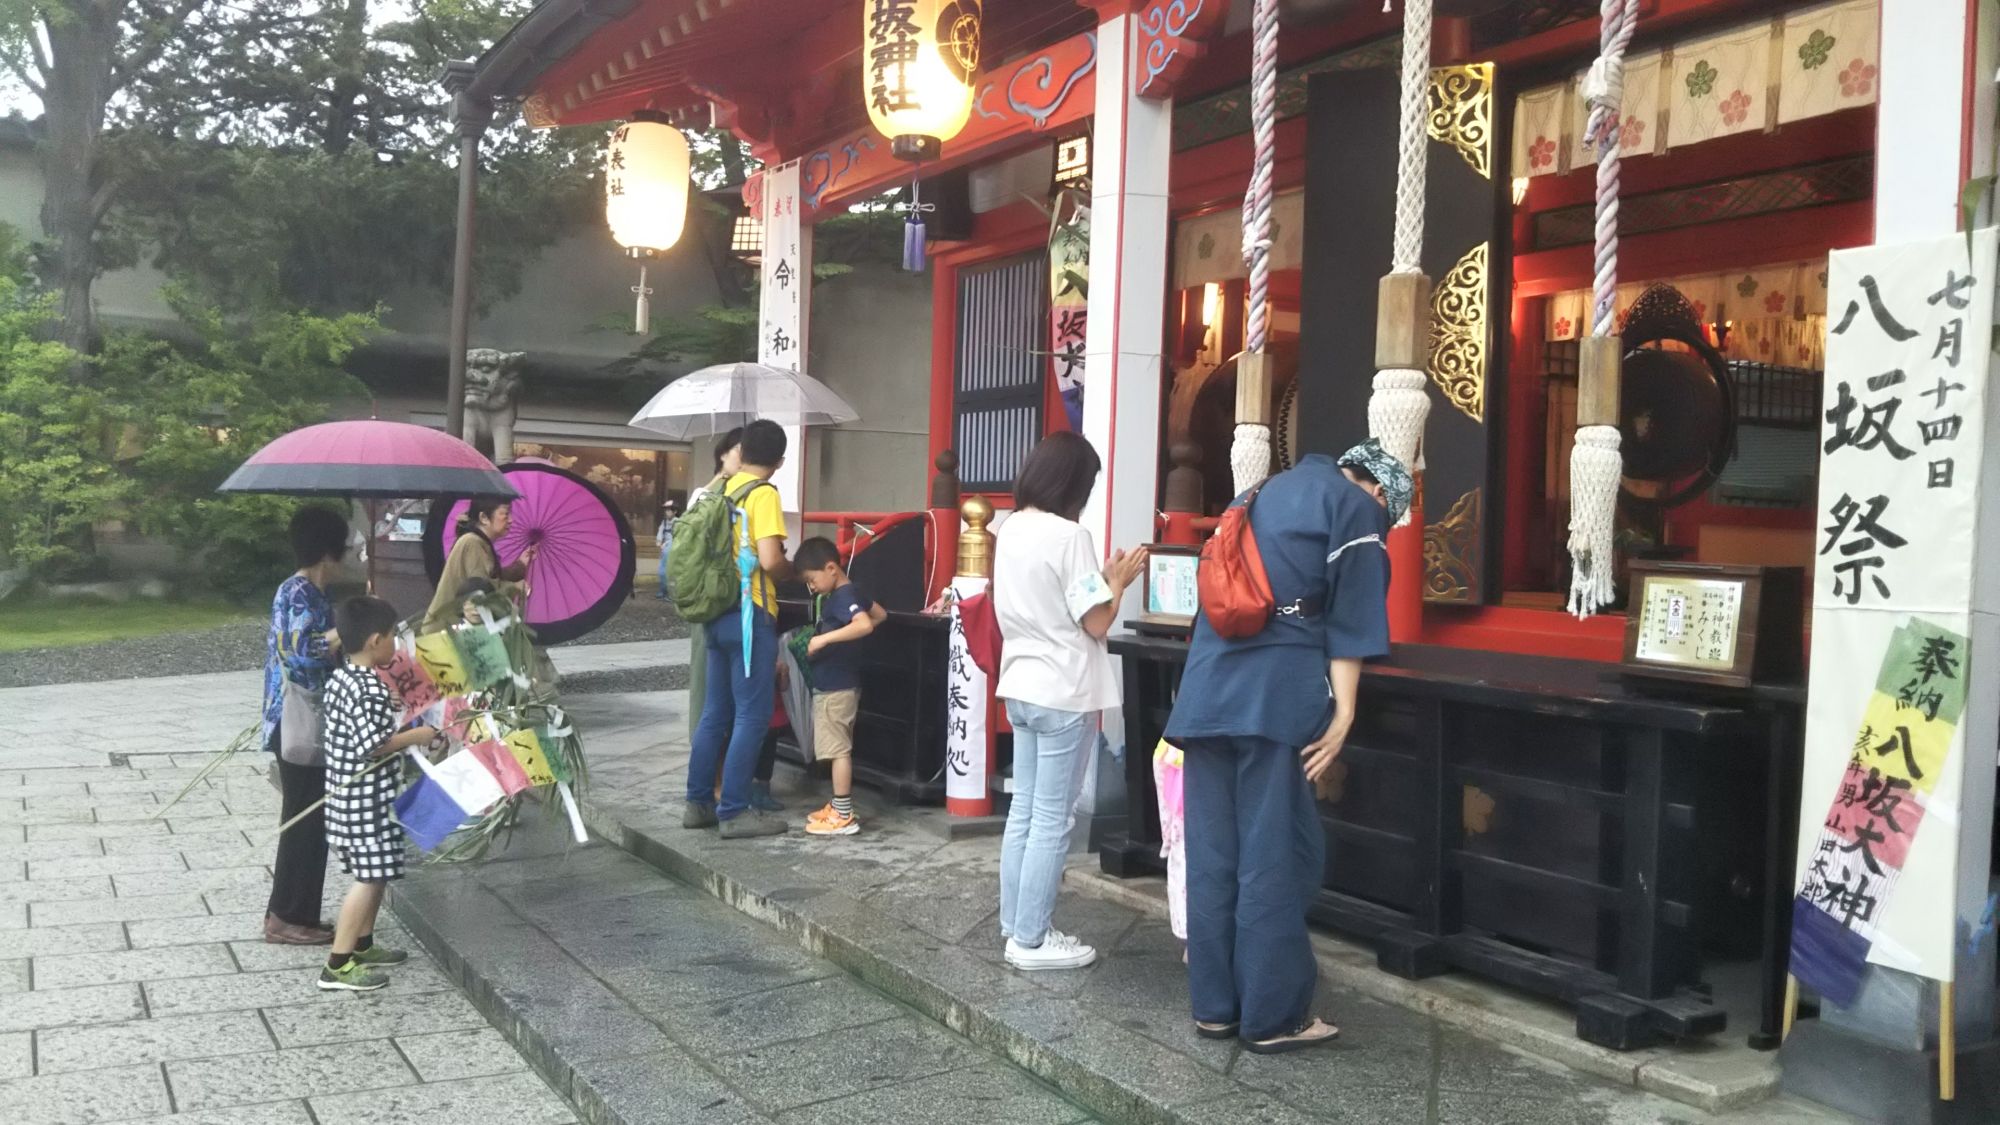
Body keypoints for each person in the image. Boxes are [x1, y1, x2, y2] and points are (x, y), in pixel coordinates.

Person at [1163, 438, 1409, 1054]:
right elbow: (1352, 619)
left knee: (1213, 852)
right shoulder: (1355, 507)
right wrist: (1344, 712)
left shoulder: (1254, 494)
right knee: (1275, 853)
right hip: (1274, 696)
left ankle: (1215, 1007)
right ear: (1379, 491)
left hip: (1207, 690)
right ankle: (1273, 1016)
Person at [993, 432, 1147, 971]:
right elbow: (1096, 620)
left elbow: (1051, 603)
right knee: (1052, 819)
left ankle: (1015, 926)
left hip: (1021, 682)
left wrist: (1102, 581)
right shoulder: (1069, 535)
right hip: (1064, 688)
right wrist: (1117, 582)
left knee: (1024, 812)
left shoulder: (1010, 528)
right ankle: (1032, 940)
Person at [319, 595, 440, 992]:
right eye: (391, 637)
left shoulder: (344, 678)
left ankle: (363, 944)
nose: (396, 645)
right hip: (365, 801)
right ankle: (337, 965)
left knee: (378, 871)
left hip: (351, 799)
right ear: (375, 641)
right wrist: (418, 735)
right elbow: (373, 744)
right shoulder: (368, 686)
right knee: (369, 878)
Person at [682, 419, 791, 838]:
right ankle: (733, 810)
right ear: (780, 461)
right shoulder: (762, 494)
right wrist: (793, 569)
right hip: (750, 613)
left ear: (741, 453)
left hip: (716, 611)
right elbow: (770, 560)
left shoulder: (721, 490)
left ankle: (698, 804)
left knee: (715, 713)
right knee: (752, 715)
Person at [260, 507, 349, 946]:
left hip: (313, 722)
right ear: (327, 551)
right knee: (303, 820)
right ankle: (285, 917)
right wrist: (341, 634)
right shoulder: (296, 592)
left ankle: (301, 914)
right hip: (297, 724)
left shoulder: (315, 594)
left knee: (314, 821)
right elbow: (297, 654)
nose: (349, 554)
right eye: (344, 546)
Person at [794, 536, 886, 837]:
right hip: (843, 681)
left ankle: (843, 814)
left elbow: (865, 624)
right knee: (838, 746)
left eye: (812, 579)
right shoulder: (851, 591)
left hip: (836, 686)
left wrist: (823, 639)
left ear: (831, 568)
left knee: (838, 751)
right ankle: (838, 805)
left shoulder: (843, 595)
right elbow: (879, 614)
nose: (812, 587)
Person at [685, 428, 744, 743]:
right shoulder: (705, 495)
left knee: (720, 685)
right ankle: (709, 754)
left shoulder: (746, 491)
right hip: (713, 597)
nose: (744, 458)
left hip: (723, 596)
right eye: (739, 451)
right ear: (723, 454)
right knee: (709, 682)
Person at [422, 499, 537, 632]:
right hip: (446, 632)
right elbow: (483, 593)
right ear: (483, 518)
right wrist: (515, 588)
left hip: (453, 629)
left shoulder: (479, 542)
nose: (511, 520)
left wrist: (521, 564)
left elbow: (491, 578)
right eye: (505, 514)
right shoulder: (473, 543)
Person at [655, 499, 678, 600]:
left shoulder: (677, 522)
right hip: (665, 550)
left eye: (669, 510)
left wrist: (667, 543)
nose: (667, 512)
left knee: (670, 572)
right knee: (662, 571)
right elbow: (660, 532)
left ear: (675, 511)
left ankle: (670, 594)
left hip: (673, 549)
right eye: (666, 510)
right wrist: (659, 541)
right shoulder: (664, 522)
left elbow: (677, 536)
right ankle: (662, 591)